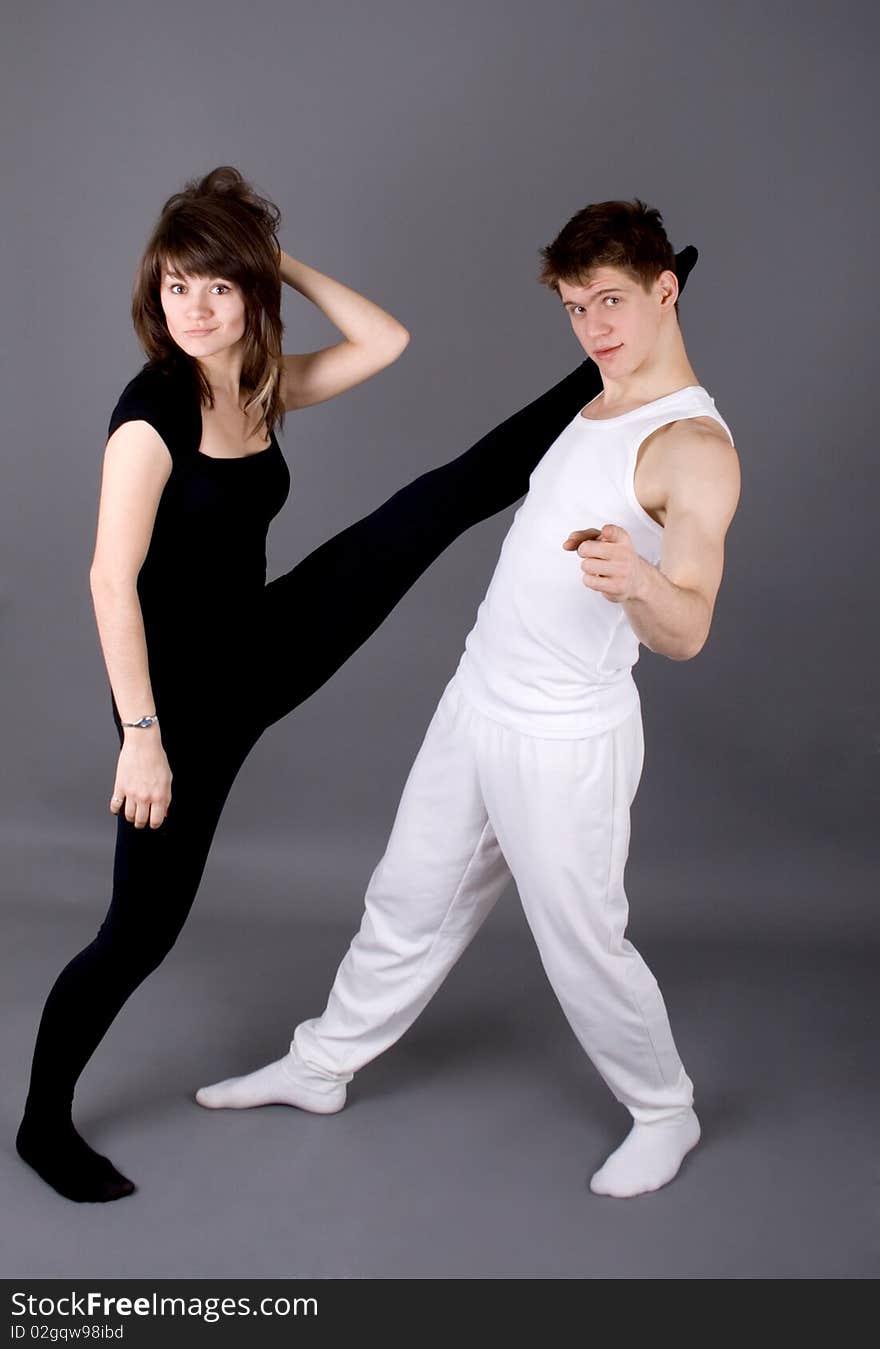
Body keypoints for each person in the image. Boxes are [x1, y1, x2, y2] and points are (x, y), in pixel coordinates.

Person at [14, 166, 702, 1204]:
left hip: (262, 639)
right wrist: (141, 736)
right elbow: (111, 581)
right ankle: (39, 1123)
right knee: (137, 933)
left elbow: (384, 343)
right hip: (178, 706)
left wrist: (269, 253)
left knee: (436, 502)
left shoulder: (248, 379)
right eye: (174, 289)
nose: (193, 310)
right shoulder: (149, 415)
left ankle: (604, 388)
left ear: (248, 292)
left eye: (216, 286)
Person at [195, 198, 740, 1201]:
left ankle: (665, 1107)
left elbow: (691, 624)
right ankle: (322, 1065)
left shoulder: (693, 447)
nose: (596, 326)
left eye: (613, 300)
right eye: (576, 307)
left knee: (581, 942)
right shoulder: (599, 399)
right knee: (405, 898)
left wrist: (641, 583)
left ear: (666, 291)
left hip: (563, 739)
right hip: (478, 698)